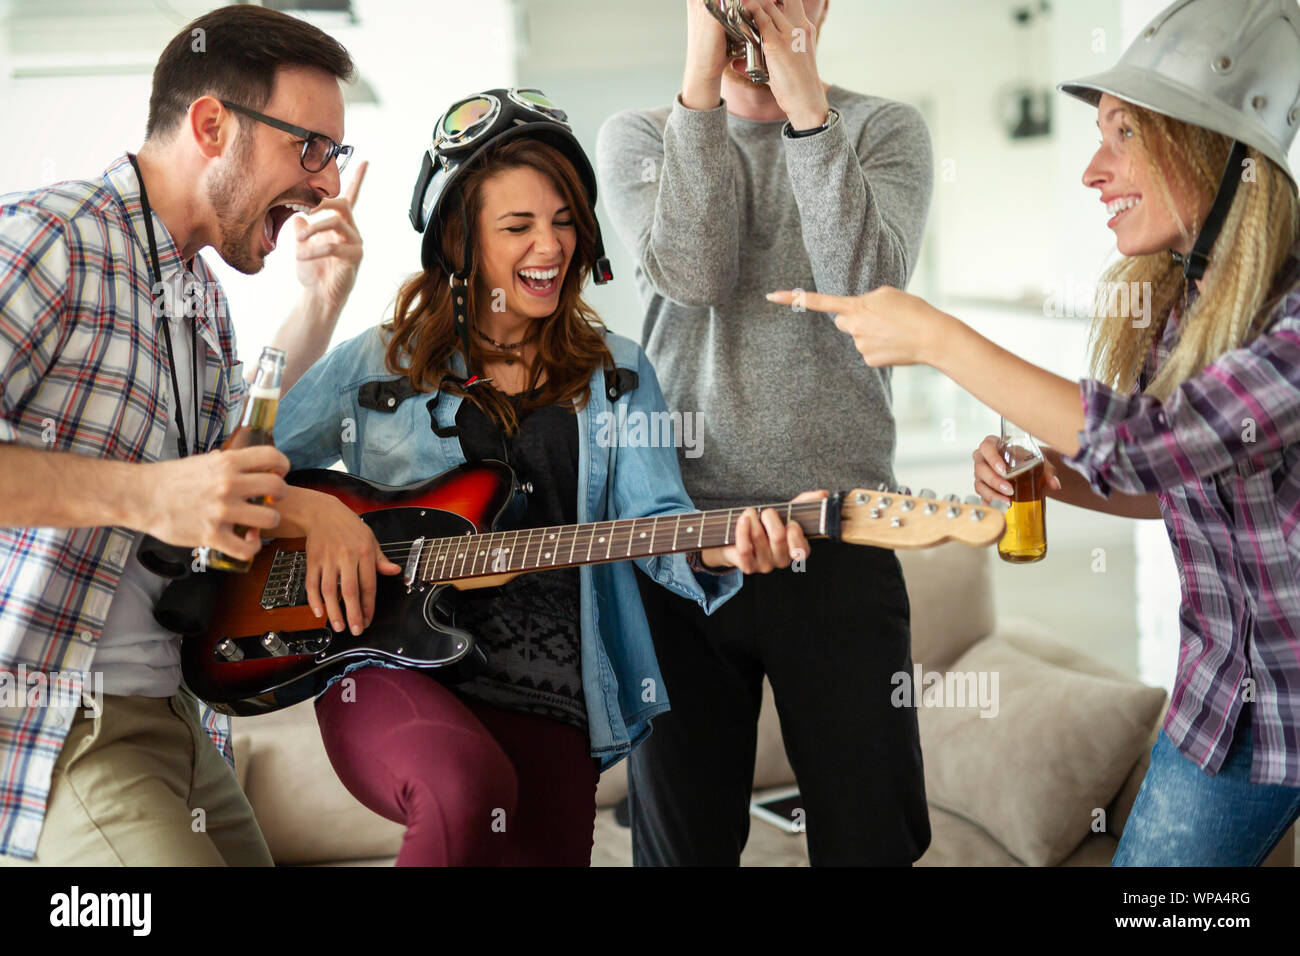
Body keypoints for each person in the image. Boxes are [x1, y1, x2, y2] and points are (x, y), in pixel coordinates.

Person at [769, 0, 1300, 866]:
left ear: (1216, 145)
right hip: (1226, 706)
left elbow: (1152, 439)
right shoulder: (1185, 305)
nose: (1094, 170)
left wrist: (936, 338)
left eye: (1124, 134)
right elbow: (1172, 481)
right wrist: (1062, 476)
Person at [270, 88, 824, 866]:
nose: (551, 246)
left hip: (555, 689)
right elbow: (247, 461)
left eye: (564, 222)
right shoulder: (378, 359)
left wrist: (726, 547)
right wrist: (318, 307)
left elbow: (657, 521)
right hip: (385, 663)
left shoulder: (620, 372)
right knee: (461, 788)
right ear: (461, 242)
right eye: (519, 226)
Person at [0, 5, 366, 865]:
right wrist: (146, 494)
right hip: (68, 725)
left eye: (334, 156)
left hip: (178, 717)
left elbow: (223, 485)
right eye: (309, 147)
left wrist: (316, 307)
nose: (324, 185)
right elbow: (172, 496)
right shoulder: (51, 238)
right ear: (212, 125)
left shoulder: (197, 298)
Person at [596, 0, 935, 864]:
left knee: (873, 839)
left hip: (842, 532)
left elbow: (866, 286)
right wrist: (701, 84)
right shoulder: (638, 135)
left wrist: (808, 108)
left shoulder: (885, 130)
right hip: (679, 544)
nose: (757, 14)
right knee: (682, 849)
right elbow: (695, 272)